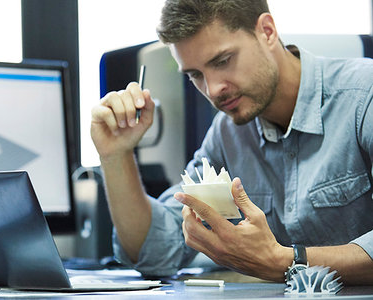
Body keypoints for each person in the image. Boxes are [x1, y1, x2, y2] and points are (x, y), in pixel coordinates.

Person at [90, 0, 373, 285]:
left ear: (267, 31)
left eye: (222, 61)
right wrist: (116, 155)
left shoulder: (364, 95)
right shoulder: (227, 133)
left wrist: (284, 261)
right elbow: (156, 253)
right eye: (195, 75)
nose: (213, 90)